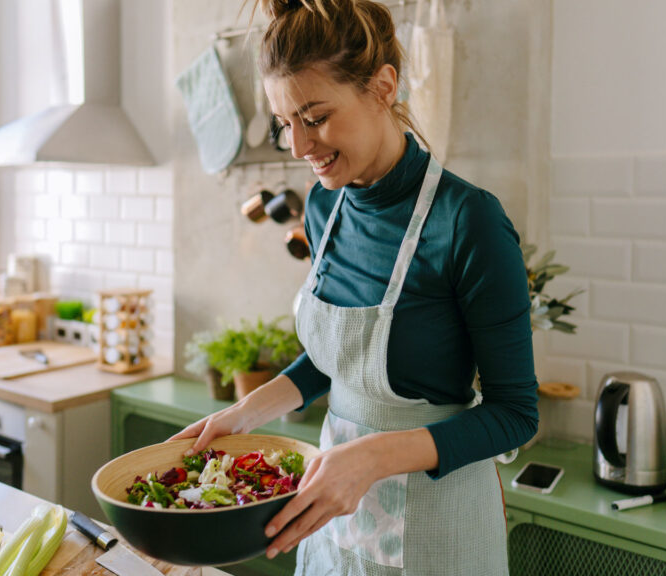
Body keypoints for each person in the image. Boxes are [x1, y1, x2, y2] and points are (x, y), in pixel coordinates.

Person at [169, 0, 538, 573]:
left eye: (314, 117)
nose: (297, 147)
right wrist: (243, 414)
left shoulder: (469, 221)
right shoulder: (324, 206)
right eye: (283, 123)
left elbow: (516, 414)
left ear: (383, 87)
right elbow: (341, 360)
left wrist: (371, 458)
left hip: (439, 525)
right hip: (337, 512)